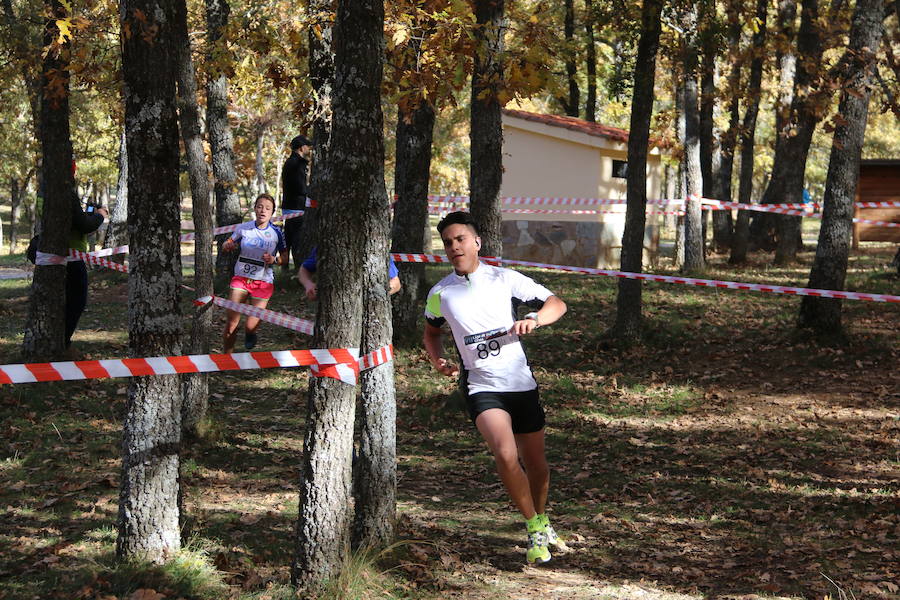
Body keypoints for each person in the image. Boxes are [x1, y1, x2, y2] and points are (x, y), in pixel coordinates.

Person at [422, 211, 568, 565]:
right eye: (447, 243)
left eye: (460, 239)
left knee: (537, 463)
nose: (454, 247)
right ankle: (533, 526)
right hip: (481, 386)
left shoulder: (505, 279)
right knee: (505, 454)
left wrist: (534, 318)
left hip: (520, 383)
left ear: (476, 242)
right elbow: (431, 332)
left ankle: (543, 517)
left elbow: (557, 304)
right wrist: (437, 360)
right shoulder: (440, 293)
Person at [221, 193, 287, 353]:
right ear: (254, 209)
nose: (263, 211)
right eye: (260, 207)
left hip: (263, 282)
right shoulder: (244, 228)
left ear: (272, 212)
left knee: (251, 326)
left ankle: (250, 333)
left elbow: (284, 258)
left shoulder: (277, 232)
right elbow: (228, 243)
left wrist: (274, 260)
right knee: (231, 324)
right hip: (241, 279)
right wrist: (227, 246)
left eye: (267, 208)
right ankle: (225, 359)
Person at [66, 193, 107, 351]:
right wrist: (100, 217)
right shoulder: (64, 188)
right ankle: (63, 342)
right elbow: (84, 225)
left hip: (67, 255)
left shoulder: (46, 188)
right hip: (71, 258)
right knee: (76, 302)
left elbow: (78, 226)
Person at [297, 246, 401, 301]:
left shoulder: (375, 248)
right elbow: (304, 269)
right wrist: (308, 284)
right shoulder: (325, 245)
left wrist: (377, 294)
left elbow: (396, 283)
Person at [280, 134, 312, 272]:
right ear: (301, 147)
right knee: (297, 239)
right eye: (307, 146)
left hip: (289, 205)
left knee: (289, 237)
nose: (308, 148)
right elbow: (300, 186)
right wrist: (310, 191)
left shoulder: (289, 162)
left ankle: (286, 267)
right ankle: (299, 269)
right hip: (296, 206)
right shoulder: (297, 163)